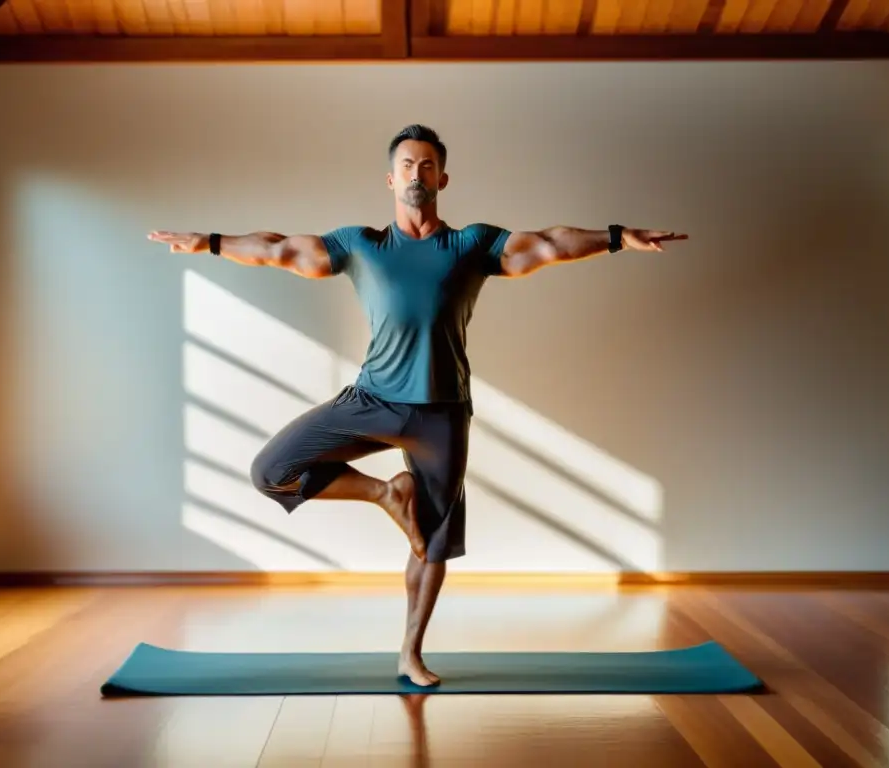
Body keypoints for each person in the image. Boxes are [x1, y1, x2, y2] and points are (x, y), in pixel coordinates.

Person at [148, 124, 687, 687]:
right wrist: (209, 242)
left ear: (443, 178)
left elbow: (548, 244)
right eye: (407, 164)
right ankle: (386, 493)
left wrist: (619, 237)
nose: (416, 173)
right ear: (390, 178)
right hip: (372, 400)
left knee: (431, 543)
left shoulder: (471, 245)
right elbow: (280, 247)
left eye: (427, 165)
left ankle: (410, 652)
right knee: (271, 471)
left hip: (443, 414)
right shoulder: (361, 245)